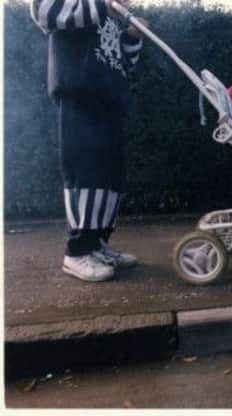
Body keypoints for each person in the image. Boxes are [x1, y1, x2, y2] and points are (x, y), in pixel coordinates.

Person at [30, 0, 148, 282]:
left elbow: (122, 61)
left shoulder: (106, 15)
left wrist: (132, 35)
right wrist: (102, 6)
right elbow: (43, 11)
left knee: (110, 177)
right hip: (79, 92)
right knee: (86, 171)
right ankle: (77, 251)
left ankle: (97, 243)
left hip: (109, 98)